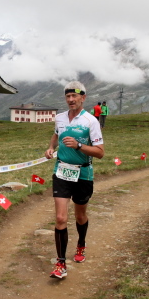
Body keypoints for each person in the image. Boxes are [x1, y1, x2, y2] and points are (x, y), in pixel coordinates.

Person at [44, 82, 104, 279]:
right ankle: (60, 264)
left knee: (80, 216)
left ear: (83, 98)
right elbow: (56, 134)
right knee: (61, 218)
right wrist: (51, 148)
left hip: (83, 173)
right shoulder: (60, 118)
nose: (71, 100)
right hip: (61, 171)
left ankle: (81, 244)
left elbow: (100, 153)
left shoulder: (91, 121)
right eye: (68, 96)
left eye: (74, 96)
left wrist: (79, 145)